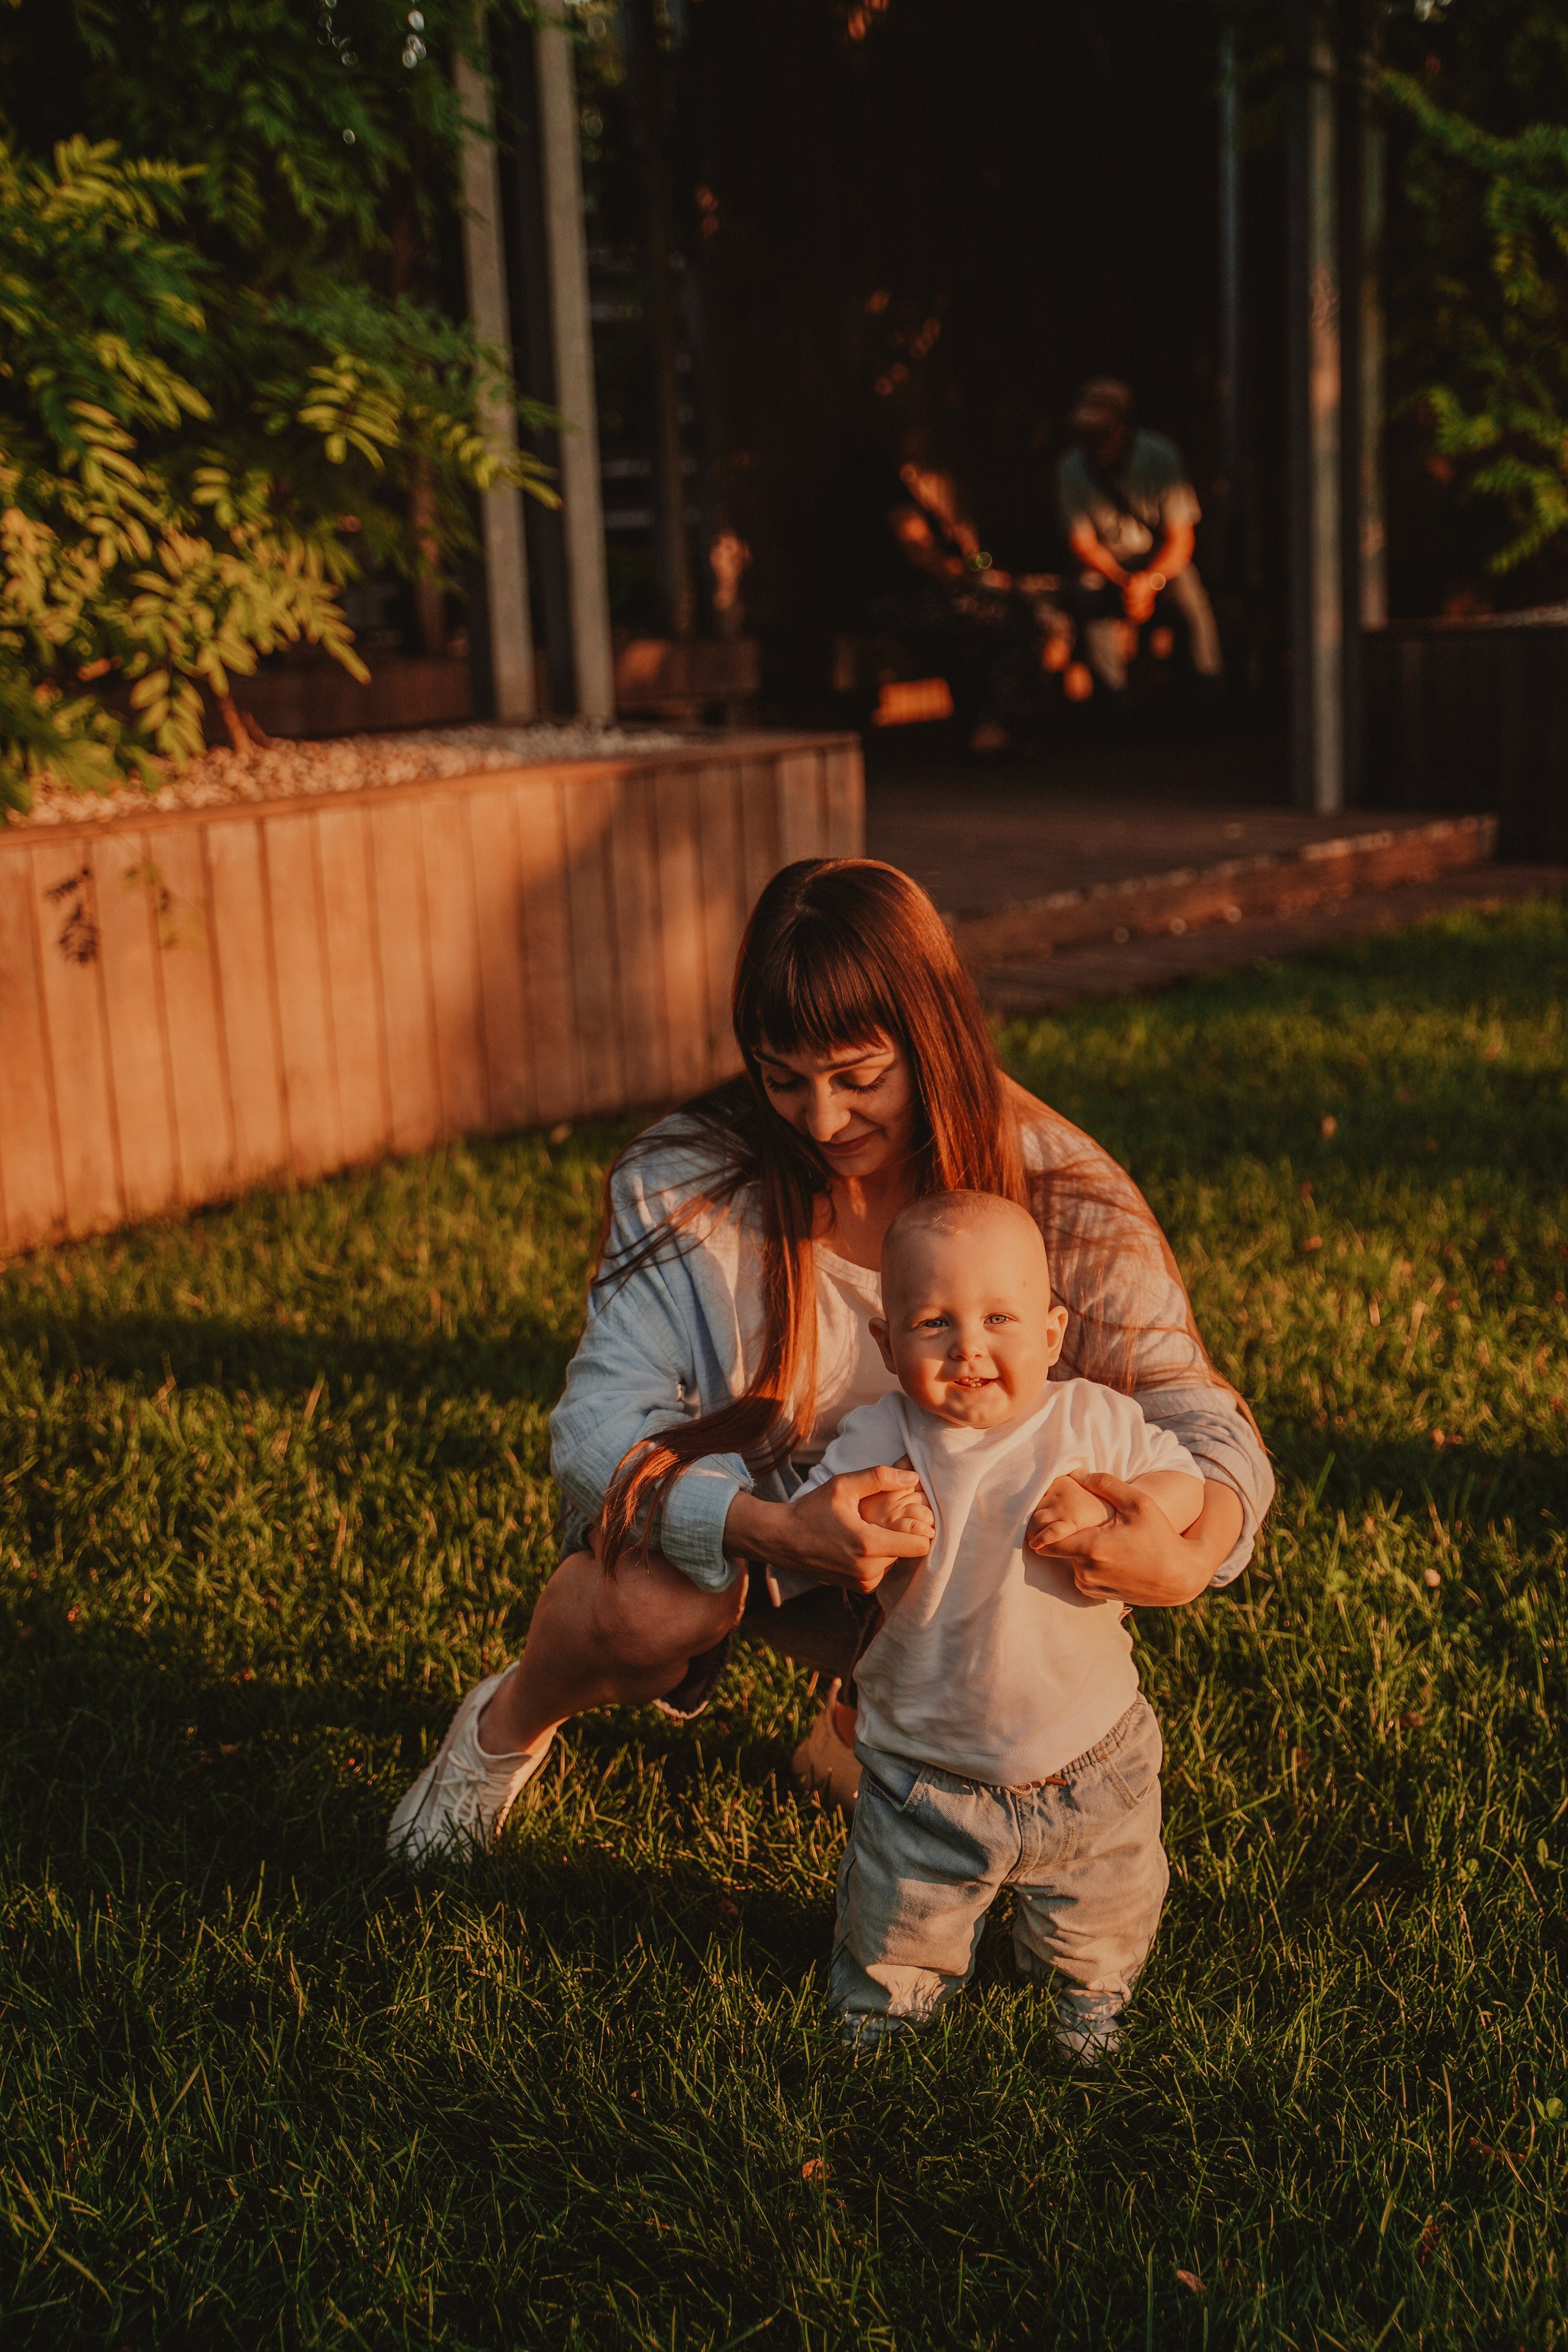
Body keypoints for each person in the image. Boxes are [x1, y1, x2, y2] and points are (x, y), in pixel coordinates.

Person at [386, 858, 1273, 1866]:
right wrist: (771, 1526)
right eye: (783, 1079)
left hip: (962, 1566)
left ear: (930, 1042)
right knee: (644, 1608)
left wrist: (1194, 1552)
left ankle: (859, 1716)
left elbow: (1199, 1418)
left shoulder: (1059, 1186)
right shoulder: (685, 1177)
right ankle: (500, 1735)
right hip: (759, 1542)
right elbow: (595, 1425)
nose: (819, 1120)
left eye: (860, 1079)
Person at [802, 1189, 1203, 2060]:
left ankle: (1088, 2000)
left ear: (1052, 1334)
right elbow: (815, 1518)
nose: (969, 1347)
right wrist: (860, 1518)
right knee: (901, 1917)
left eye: (998, 1318)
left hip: (1087, 1757)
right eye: (935, 1323)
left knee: (1099, 1911)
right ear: (888, 1342)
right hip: (924, 1768)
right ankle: (885, 2012)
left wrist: (1113, 1510)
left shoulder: (1089, 1421)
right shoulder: (884, 1435)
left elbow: (1184, 1483)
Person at [1056, 377, 1223, 695]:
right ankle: (1112, 699)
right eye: (1086, 432)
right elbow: (1082, 543)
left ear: (1122, 426)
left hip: (1159, 563)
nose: (1091, 441)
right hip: (1107, 565)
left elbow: (1180, 540)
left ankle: (1207, 689)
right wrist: (1123, 581)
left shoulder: (1161, 457)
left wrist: (1150, 581)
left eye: (1100, 431)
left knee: (1189, 592)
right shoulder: (1071, 468)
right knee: (1087, 594)